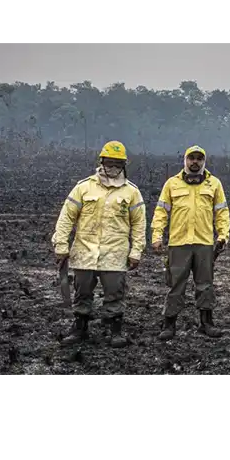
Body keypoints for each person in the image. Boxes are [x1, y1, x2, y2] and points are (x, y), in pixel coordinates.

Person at [52, 141, 146, 347]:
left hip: (115, 254)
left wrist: (136, 251)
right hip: (85, 251)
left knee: (115, 293)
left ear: (124, 165)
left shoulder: (131, 192)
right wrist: (61, 245)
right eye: (109, 163)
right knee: (82, 292)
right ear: (101, 162)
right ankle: (80, 328)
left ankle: (115, 331)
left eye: (117, 164)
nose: (113, 168)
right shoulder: (83, 187)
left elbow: (139, 224)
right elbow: (66, 217)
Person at [151, 145, 230, 341]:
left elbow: (222, 213)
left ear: (204, 161)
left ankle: (207, 323)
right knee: (176, 285)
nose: (195, 162)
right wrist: (157, 236)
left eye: (199, 159)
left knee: (205, 285)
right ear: (185, 160)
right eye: (191, 158)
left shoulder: (214, 184)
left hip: (204, 243)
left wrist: (223, 236)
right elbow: (161, 212)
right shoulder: (172, 184)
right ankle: (169, 324)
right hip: (178, 244)